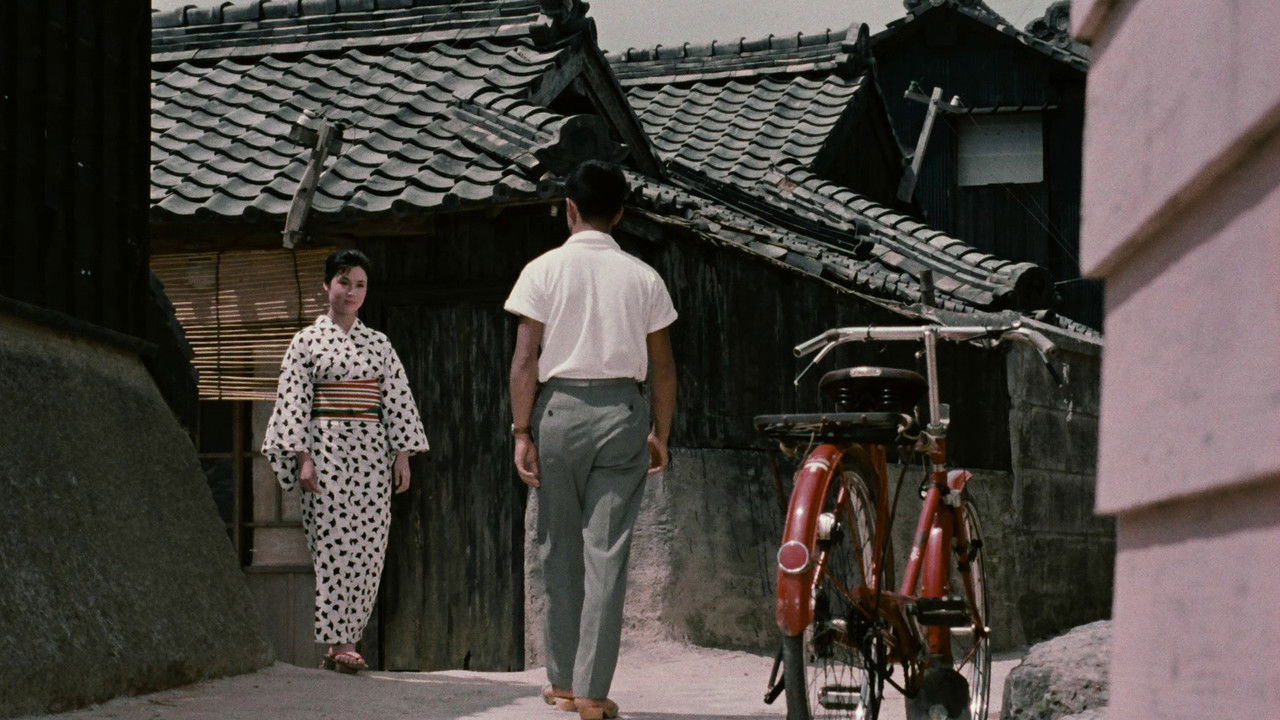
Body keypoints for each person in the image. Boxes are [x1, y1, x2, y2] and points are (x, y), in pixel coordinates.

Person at [505, 161, 677, 720]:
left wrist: (522, 431)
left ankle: (559, 680)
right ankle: (592, 692)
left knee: (557, 547)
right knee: (607, 553)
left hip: (558, 412)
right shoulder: (644, 277)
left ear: (570, 208)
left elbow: (525, 359)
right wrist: (661, 432)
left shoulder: (541, 270)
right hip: (623, 412)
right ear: (621, 214)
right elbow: (663, 367)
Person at [262, 248, 429, 673]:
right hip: (326, 449)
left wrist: (402, 455)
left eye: (360, 284)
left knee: (370, 546)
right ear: (326, 285)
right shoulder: (306, 341)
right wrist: (303, 457)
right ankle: (339, 643)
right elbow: (294, 402)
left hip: (372, 451)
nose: (351, 292)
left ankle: (348, 640)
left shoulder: (379, 343)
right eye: (343, 282)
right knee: (333, 545)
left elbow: (397, 399)